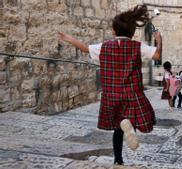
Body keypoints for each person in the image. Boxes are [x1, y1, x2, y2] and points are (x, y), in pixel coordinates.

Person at [59, 5, 162, 165]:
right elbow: (157, 55)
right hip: (132, 94)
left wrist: (69, 38)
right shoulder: (137, 47)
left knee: (117, 129)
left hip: (112, 95)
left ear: (114, 31)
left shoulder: (104, 47)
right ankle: (131, 127)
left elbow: (86, 49)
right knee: (136, 118)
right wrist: (159, 41)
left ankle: (118, 160)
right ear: (133, 32)